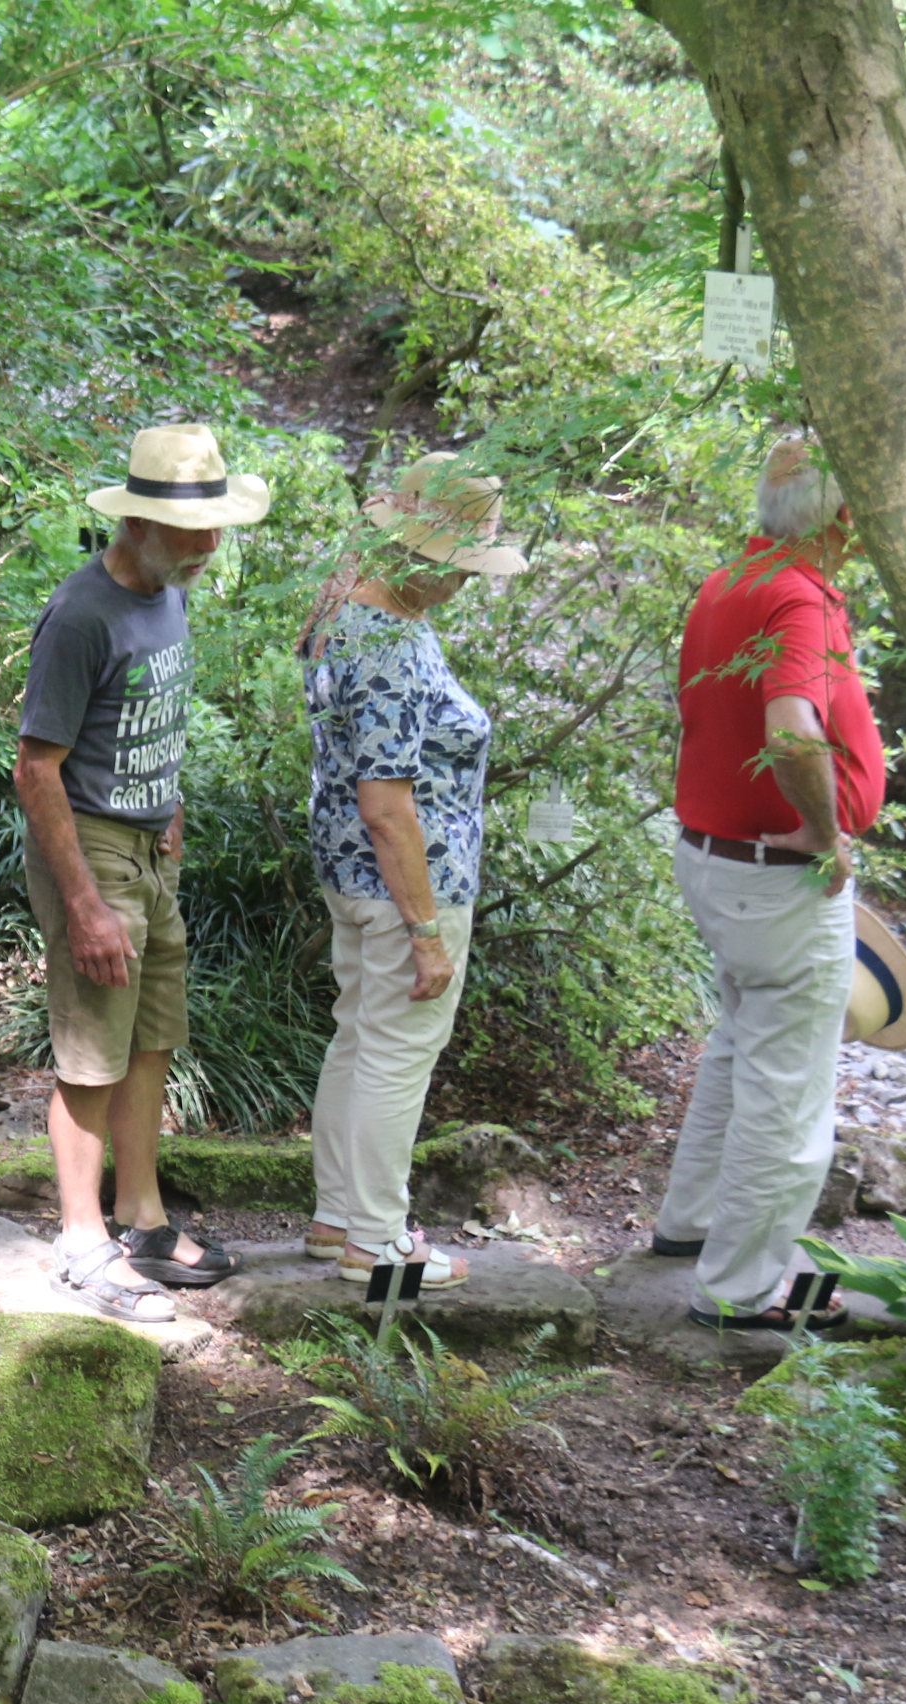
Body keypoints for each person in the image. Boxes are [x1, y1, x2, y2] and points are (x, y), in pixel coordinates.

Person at [14, 423, 267, 1323]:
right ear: (139, 523)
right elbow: (36, 767)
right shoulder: (83, 614)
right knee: (91, 1052)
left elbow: (148, 716)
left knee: (151, 1036)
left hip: (150, 845)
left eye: (215, 529)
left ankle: (142, 1219)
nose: (208, 547)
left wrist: (172, 804)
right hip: (93, 851)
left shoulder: (168, 592)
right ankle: (82, 1245)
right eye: (191, 531)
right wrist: (83, 901)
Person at [653, 437, 882, 1331]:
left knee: (742, 1043)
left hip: (715, 859)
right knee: (788, 1089)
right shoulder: (798, 595)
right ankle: (740, 1290)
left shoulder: (731, 581)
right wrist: (825, 834)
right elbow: (791, 730)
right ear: (843, 520)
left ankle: (692, 1225)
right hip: (776, 875)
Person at [298, 455, 527, 1290]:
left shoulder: (345, 612)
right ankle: (378, 1243)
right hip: (404, 882)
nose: (465, 585)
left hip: (350, 875)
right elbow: (388, 802)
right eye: (460, 569)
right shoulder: (391, 640)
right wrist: (429, 932)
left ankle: (338, 1219)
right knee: (398, 1051)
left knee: (360, 1035)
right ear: (423, 558)